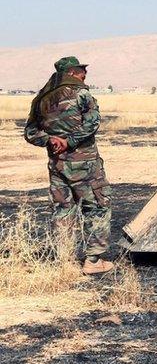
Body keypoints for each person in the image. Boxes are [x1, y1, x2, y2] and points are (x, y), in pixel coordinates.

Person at [24, 56, 114, 274]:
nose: (84, 75)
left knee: (63, 209)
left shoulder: (42, 99)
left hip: (57, 165)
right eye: (82, 71)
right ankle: (93, 261)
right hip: (84, 163)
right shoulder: (81, 94)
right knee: (97, 205)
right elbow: (92, 123)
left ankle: (64, 260)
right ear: (72, 72)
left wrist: (50, 140)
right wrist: (70, 141)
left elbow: (30, 132)